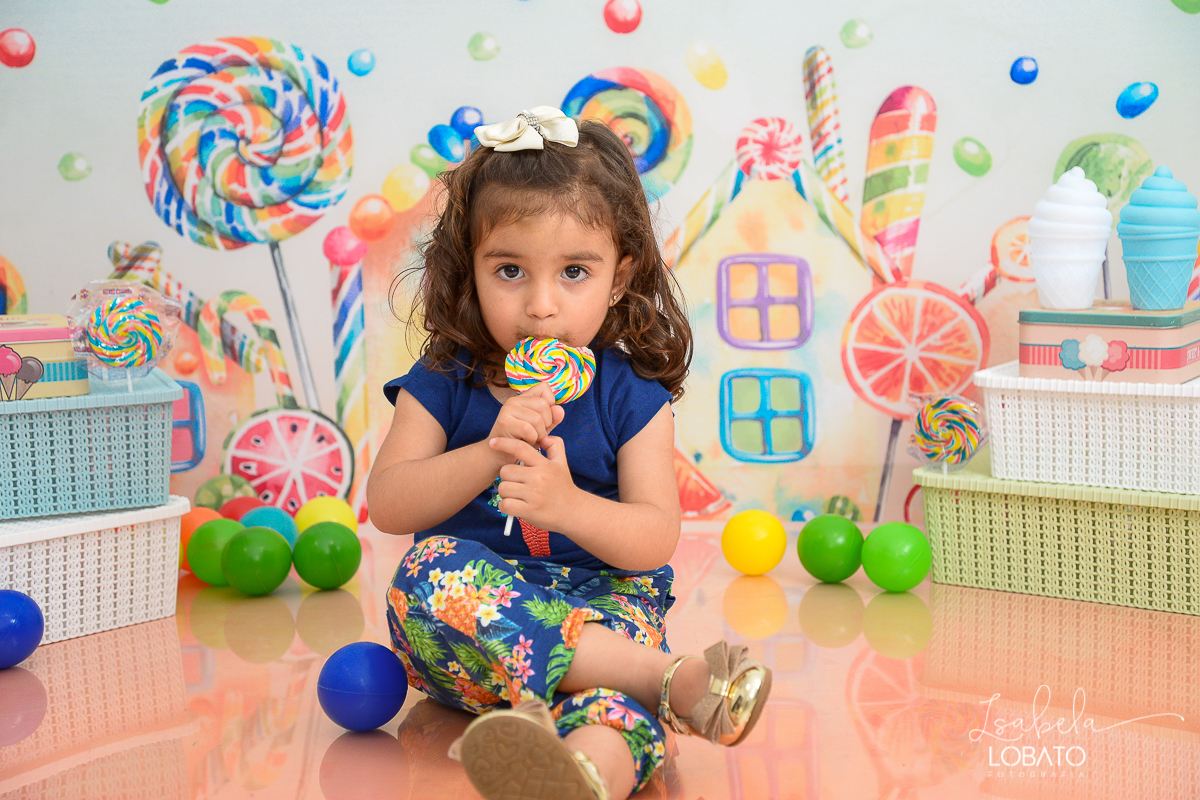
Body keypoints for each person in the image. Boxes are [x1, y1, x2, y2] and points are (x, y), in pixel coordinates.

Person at [367, 106, 771, 800]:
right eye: (510, 270)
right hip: (476, 627)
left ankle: (584, 774)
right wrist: (490, 452)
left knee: (609, 708)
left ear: (621, 275)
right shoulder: (444, 380)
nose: (542, 305)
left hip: (605, 604)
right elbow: (388, 504)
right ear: (470, 269)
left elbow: (654, 537)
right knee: (429, 572)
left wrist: (568, 506)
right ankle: (667, 679)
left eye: (575, 271)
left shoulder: (630, 396)